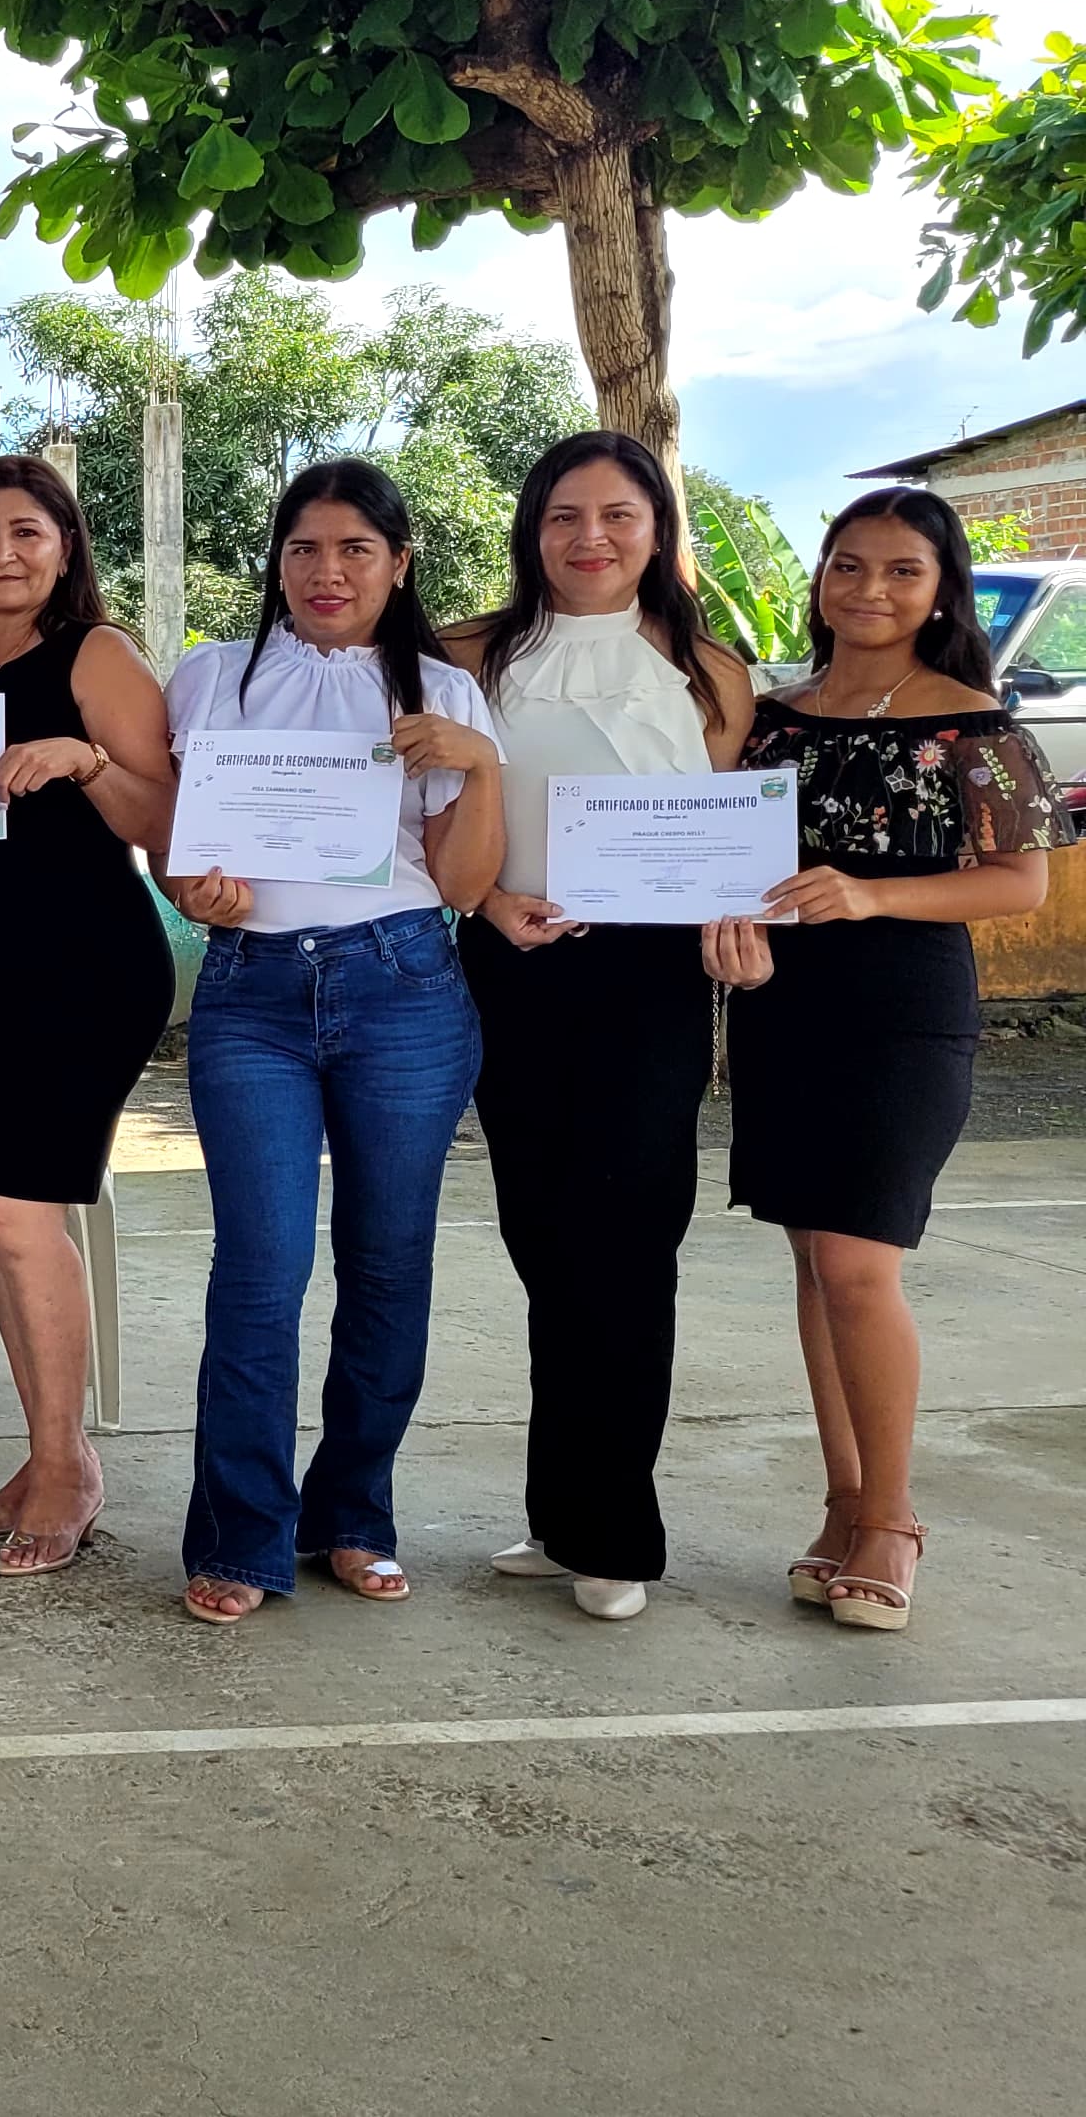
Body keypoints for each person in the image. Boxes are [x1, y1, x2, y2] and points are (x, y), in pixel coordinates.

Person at [160, 459, 505, 1625]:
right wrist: (191, 889)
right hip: (252, 993)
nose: (327, 571)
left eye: (356, 548)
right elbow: (179, 842)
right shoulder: (212, 676)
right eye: (304, 547)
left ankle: (354, 1514)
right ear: (278, 559)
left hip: (401, 984)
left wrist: (477, 766)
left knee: (387, 1263)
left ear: (399, 564)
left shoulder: (443, 696)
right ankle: (240, 1535)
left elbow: (466, 883)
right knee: (261, 1269)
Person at [720, 487, 1062, 1634]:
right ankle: (843, 1502)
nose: (869, 589)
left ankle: (892, 1520)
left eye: (902, 570)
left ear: (942, 591)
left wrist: (869, 896)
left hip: (902, 1013)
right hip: (781, 1008)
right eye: (848, 566)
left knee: (859, 1264)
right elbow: (720, 855)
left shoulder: (977, 725)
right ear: (821, 580)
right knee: (815, 1265)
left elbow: (1020, 884)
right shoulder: (771, 716)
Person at [441, 434, 753, 1622]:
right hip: (511, 962)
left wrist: (730, 912)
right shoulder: (469, 653)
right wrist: (489, 902)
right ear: (532, 529)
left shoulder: (710, 671)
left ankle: (616, 1532)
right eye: (565, 516)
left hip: (649, 979)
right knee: (544, 1242)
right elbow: (430, 812)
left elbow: (724, 833)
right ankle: (561, 1515)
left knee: (626, 1244)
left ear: (657, 528)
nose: (591, 539)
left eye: (619, 515)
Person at [0, 456, 177, 1579]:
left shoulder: (97, 655)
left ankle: (67, 1467)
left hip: (85, 971)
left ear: (64, 548)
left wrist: (86, 760)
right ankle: (47, 1454)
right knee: (0, 1212)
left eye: (26, 531)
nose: (1, 552)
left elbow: (167, 817)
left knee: (14, 1216)